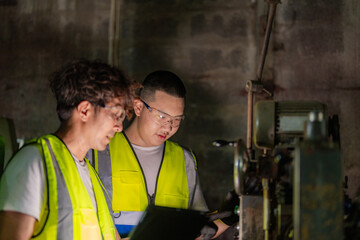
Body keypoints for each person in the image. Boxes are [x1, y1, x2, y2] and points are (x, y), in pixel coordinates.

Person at [88, 70, 238, 239]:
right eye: (162, 116)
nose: (168, 127)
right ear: (138, 107)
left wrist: (227, 219)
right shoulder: (98, 151)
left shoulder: (184, 160)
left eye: (176, 120)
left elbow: (196, 233)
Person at [0, 59, 139, 240]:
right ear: (84, 110)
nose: (119, 127)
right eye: (116, 115)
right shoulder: (34, 162)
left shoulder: (91, 176)